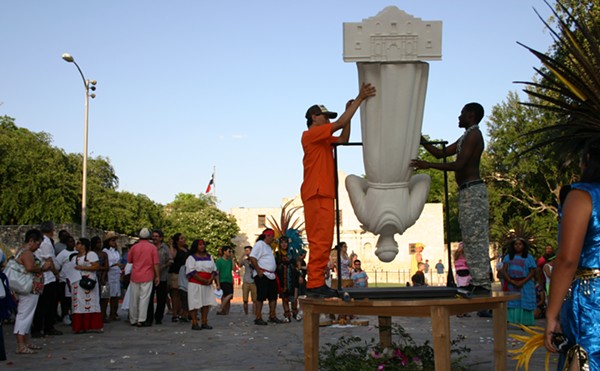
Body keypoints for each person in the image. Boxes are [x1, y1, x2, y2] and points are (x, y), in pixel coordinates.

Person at [301, 83, 376, 298]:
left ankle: (316, 282)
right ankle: (314, 283)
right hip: (316, 192)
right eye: (325, 117)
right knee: (319, 239)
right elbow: (341, 123)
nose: (328, 120)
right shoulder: (310, 135)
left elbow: (343, 138)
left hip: (322, 193)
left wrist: (348, 116)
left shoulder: (322, 138)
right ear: (315, 117)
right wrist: (359, 98)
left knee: (324, 240)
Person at [411, 102, 491, 294]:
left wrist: (427, 165)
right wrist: (418, 136)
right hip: (466, 191)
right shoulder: (466, 136)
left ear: (471, 115)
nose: (458, 117)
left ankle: (482, 283)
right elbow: (441, 153)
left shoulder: (473, 135)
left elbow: (459, 164)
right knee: (469, 237)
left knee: (475, 237)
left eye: (462, 113)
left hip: (473, 191)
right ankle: (477, 280)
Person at [545, 141, 600, 369]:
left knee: (585, 354)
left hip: (591, 298)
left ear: (586, 161)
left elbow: (567, 260)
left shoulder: (582, 196)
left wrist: (551, 315)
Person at [13, 229, 51, 354]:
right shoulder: (26, 253)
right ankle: (20, 344)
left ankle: (25, 341)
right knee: (24, 315)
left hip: (31, 288)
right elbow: (30, 267)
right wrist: (42, 268)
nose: (38, 246)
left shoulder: (22, 251)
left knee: (27, 315)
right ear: (31, 241)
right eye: (38, 243)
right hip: (28, 288)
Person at [31, 221, 61, 338]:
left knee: (47, 304)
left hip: (46, 276)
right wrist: (56, 272)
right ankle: (42, 327)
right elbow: (49, 260)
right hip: (47, 276)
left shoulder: (45, 241)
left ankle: (45, 326)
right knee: (45, 304)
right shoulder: (46, 242)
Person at [127, 228, 159, 327]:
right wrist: (157, 276)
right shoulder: (152, 248)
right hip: (147, 275)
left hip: (135, 275)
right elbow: (156, 263)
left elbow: (129, 260)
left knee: (134, 298)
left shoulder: (134, 247)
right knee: (144, 298)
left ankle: (133, 319)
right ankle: (141, 319)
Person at [249, 228, 282, 325]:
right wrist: (258, 270)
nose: (273, 239)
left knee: (273, 296)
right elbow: (252, 257)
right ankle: (258, 317)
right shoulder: (260, 244)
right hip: (263, 274)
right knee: (261, 295)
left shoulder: (268, 246)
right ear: (267, 236)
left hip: (271, 275)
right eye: (272, 237)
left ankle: (272, 315)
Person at [72, 237, 104, 333]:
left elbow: (96, 266)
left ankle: (94, 326)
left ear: (83, 245)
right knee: (78, 305)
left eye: (78, 243)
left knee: (91, 303)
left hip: (88, 281)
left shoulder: (91, 255)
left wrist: (82, 267)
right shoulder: (74, 257)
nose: (76, 245)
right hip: (77, 283)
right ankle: (79, 327)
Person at [501, 238, 536, 326]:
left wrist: (522, 282)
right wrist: (511, 281)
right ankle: (511, 320)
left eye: (520, 244)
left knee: (525, 301)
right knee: (512, 302)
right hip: (511, 282)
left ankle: (525, 322)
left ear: (524, 246)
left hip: (526, 283)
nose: (518, 246)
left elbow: (532, 271)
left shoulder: (529, 257)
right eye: (516, 244)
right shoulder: (508, 257)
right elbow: (504, 270)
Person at [185, 239, 219, 330]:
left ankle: (204, 321)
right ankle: (194, 322)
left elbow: (214, 269)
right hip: (195, 283)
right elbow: (191, 271)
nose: (202, 246)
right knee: (195, 302)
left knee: (206, 303)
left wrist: (210, 279)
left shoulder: (209, 257)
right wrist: (202, 280)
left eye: (203, 245)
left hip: (207, 283)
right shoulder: (191, 258)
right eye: (200, 245)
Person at [275, 236, 300, 322]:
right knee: (284, 298)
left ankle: (295, 313)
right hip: (282, 278)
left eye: (285, 242)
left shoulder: (292, 253)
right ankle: (287, 315)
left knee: (294, 297)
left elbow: (297, 264)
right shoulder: (277, 254)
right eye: (282, 242)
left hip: (293, 277)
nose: (284, 244)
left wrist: (300, 275)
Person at [55, 235, 77, 325]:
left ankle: (73, 314)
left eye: (73, 241)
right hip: (64, 280)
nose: (72, 243)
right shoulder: (63, 254)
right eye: (70, 241)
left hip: (75, 279)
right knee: (65, 300)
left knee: (73, 299)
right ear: (66, 243)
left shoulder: (76, 253)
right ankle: (65, 315)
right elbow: (57, 265)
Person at [151, 229, 172, 325]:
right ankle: (149, 316)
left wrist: (163, 266)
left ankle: (159, 317)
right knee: (149, 298)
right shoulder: (150, 247)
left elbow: (170, 260)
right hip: (150, 276)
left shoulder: (165, 248)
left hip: (162, 276)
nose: (154, 238)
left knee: (161, 298)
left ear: (161, 238)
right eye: (153, 236)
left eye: (156, 236)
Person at [102, 232, 123, 322]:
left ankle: (113, 313)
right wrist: (115, 264)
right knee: (105, 296)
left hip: (116, 275)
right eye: (112, 240)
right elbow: (105, 264)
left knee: (115, 295)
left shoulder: (116, 252)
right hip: (107, 276)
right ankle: (103, 314)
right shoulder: (105, 252)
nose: (114, 242)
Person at [168, 233, 188, 323]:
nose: (183, 240)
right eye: (181, 238)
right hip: (176, 273)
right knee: (175, 294)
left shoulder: (187, 249)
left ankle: (182, 312)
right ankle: (175, 313)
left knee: (183, 295)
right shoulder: (175, 249)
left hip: (185, 274)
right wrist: (171, 245)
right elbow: (172, 256)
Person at [216, 246, 234, 315]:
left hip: (229, 280)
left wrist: (232, 260)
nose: (230, 253)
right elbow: (217, 273)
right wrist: (218, 284)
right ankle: (221, 308)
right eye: (229, 251)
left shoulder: (230, 260)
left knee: (226, 297)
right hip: (223, 280)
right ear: (224, 252)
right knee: (229, 294)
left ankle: (225, 311)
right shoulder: (219, 261)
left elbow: (233, 268)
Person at [240, 246, 257, 316]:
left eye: (247, 251)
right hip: (246, 281)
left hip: (253, 282)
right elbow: (239, 265)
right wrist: (242, 256)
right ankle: (246, 313)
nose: (246, 252)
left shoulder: (255, 259)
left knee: (255, 300)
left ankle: (254, 313)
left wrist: (251, 263)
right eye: (245, 251)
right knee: (245, 300)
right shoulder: (245, 260)